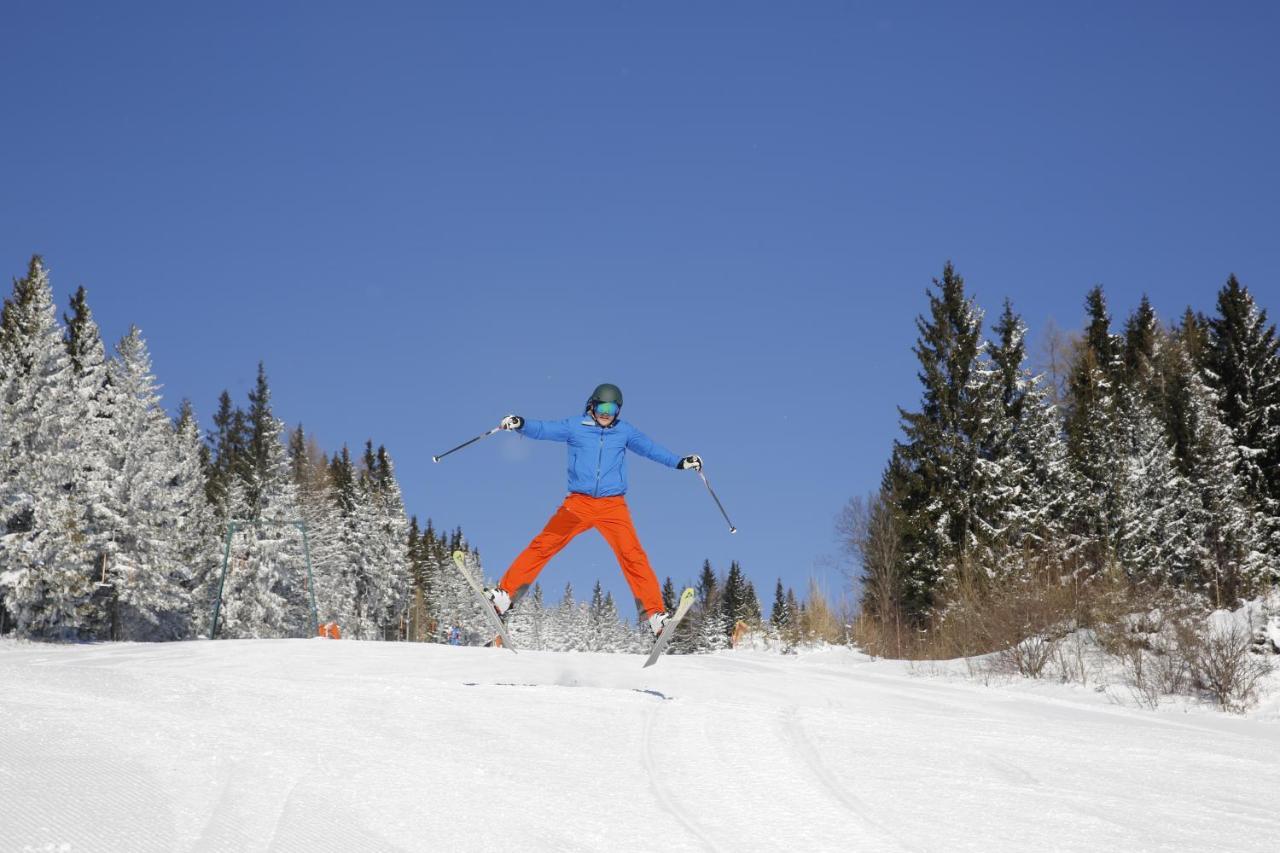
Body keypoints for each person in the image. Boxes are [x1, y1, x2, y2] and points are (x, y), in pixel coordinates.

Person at [485, 383, 701, 637]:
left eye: (612, 408)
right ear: (592, 404)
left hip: (613, 505)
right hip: (578, 503)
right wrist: (521, 423)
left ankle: (656, 616)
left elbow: (651, 449)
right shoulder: (575, 426)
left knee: (633, 555)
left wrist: (679, 462)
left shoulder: (624, 432)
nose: (607, 412)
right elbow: (545, 429)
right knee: (544, 544)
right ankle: (505, 596)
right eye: (602, 406)